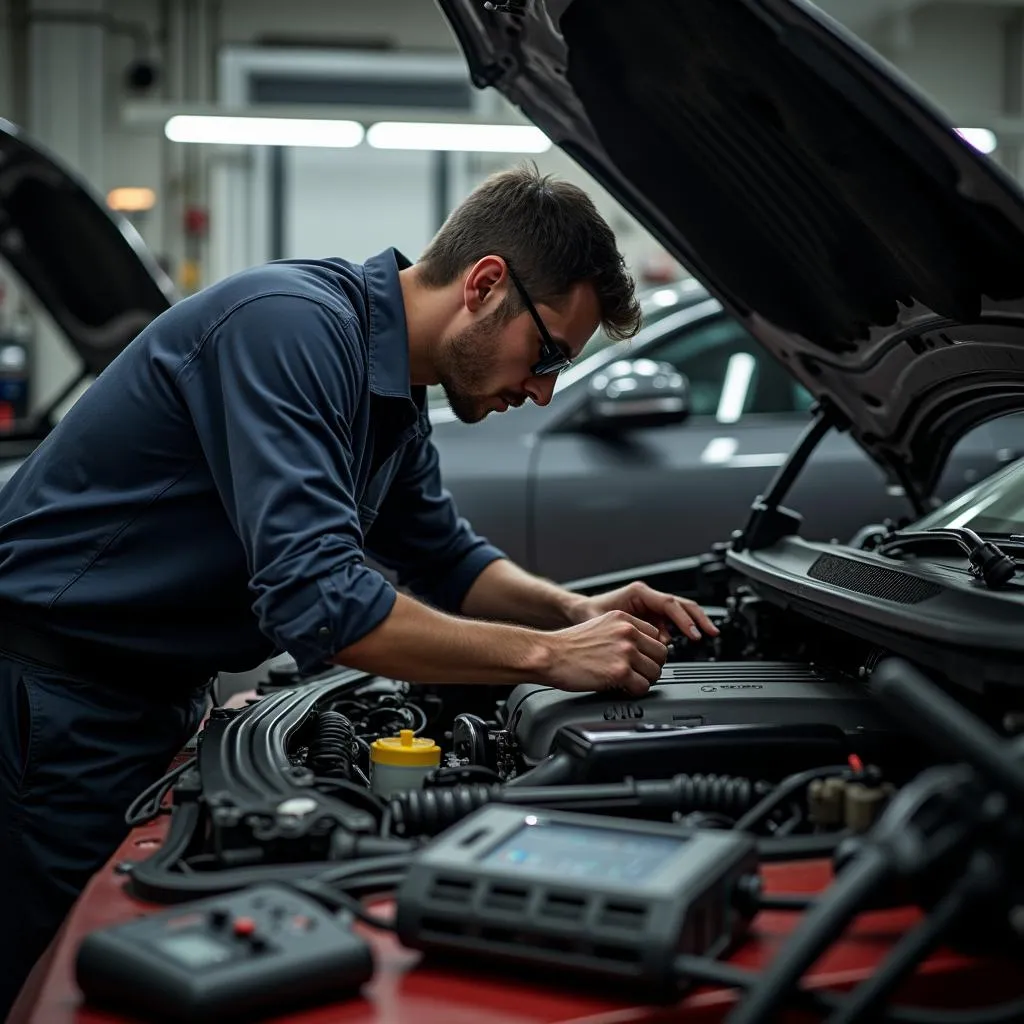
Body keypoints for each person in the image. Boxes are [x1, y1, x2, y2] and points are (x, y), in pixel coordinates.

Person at [0, 164, 717, 1013]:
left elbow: (444, 554)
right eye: (549, 353)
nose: (543, 391)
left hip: (147, 699)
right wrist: (553, 657)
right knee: (53, 983)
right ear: (486, 285)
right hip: (52, 701)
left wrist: (575, 609)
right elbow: (320, 602)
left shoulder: (392, 392)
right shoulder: (290, 329)